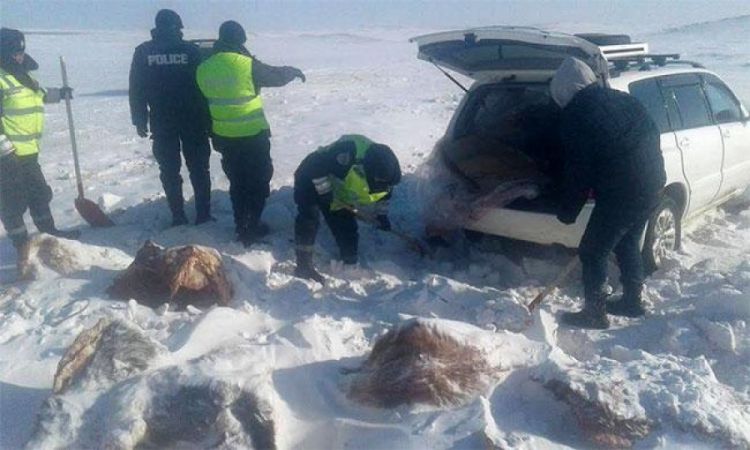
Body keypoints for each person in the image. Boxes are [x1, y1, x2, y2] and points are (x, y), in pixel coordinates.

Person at [551, 57, 666, 329]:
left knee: (592, 250)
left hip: (623, 193)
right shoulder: (622, 99)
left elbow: (579, 172)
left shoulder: (576, 117)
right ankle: (632, 301)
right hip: (653, 183)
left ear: (562, 90)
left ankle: (594, 312)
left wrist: (567, 211)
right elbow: (650, 133)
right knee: (627, 242)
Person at [196, 20, 305, 246]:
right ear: (240, 39)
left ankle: (241, 224)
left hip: (224, 135)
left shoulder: (203, 66)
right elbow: (274, 76)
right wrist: (293, 72)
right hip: (252, 134)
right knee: (258, 179)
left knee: (237, 181)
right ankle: (251, 225)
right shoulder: (244, 63)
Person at [0, 27, 80, 278]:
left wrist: (60, 94)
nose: (20, 56)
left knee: (38, 194)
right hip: (6, 154)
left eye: (21, 51)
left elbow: (39, 95)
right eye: (14, 52)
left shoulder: (23, 76)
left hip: (29, 151)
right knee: (12, 202)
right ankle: (22, 246)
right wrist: (5, 148)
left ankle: (49, 234)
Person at [129, 9, 212, 226]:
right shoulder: (191, 50)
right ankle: (203, 214)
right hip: (193, 119)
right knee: (199, 168)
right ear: (177, 27)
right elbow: (206, 86)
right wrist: (210, 120)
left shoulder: (143, 52)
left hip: (162, 121)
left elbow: (136, 89)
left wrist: (139, 118)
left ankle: (178, 215)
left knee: (169, 170)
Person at [293, 134, 402, 282]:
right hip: (312, 175)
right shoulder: (347, 154)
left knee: (345, 224)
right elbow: (314, 165)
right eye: (379, 182)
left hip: (337, 189)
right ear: (369, 170)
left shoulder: (386, 176)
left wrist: (381, 216)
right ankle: (303, 266)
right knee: (310, 216)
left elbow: (384, 196)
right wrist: (325, 192)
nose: (383, 186)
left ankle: (349, 262)